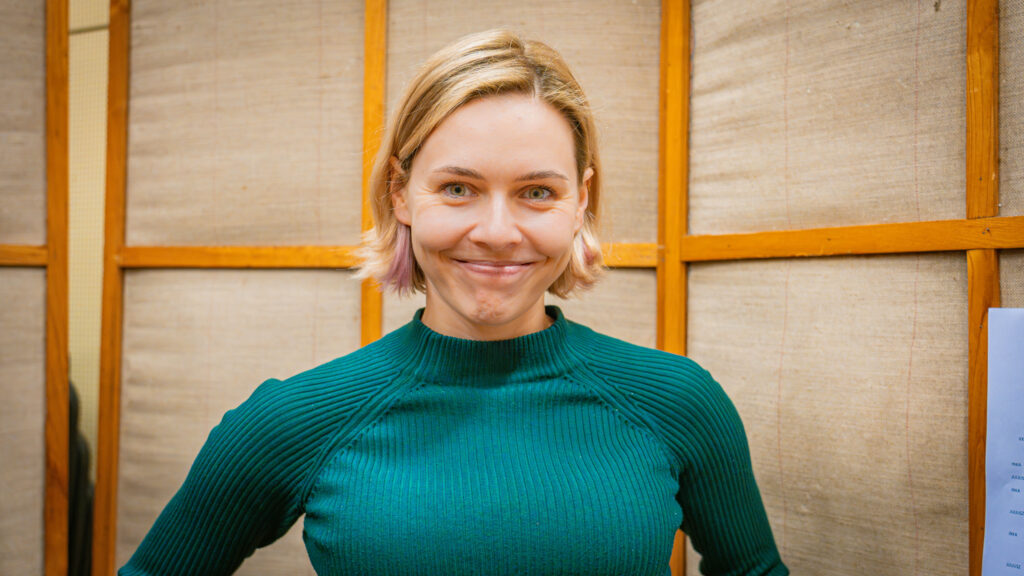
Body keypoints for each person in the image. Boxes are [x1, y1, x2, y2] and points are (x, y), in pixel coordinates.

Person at [120, 29, 787, 576]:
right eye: (459, 189)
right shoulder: (293, 420)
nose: (497, 232)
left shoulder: (678, 402)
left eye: (537, 193)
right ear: (401, 193)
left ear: (581, 198)